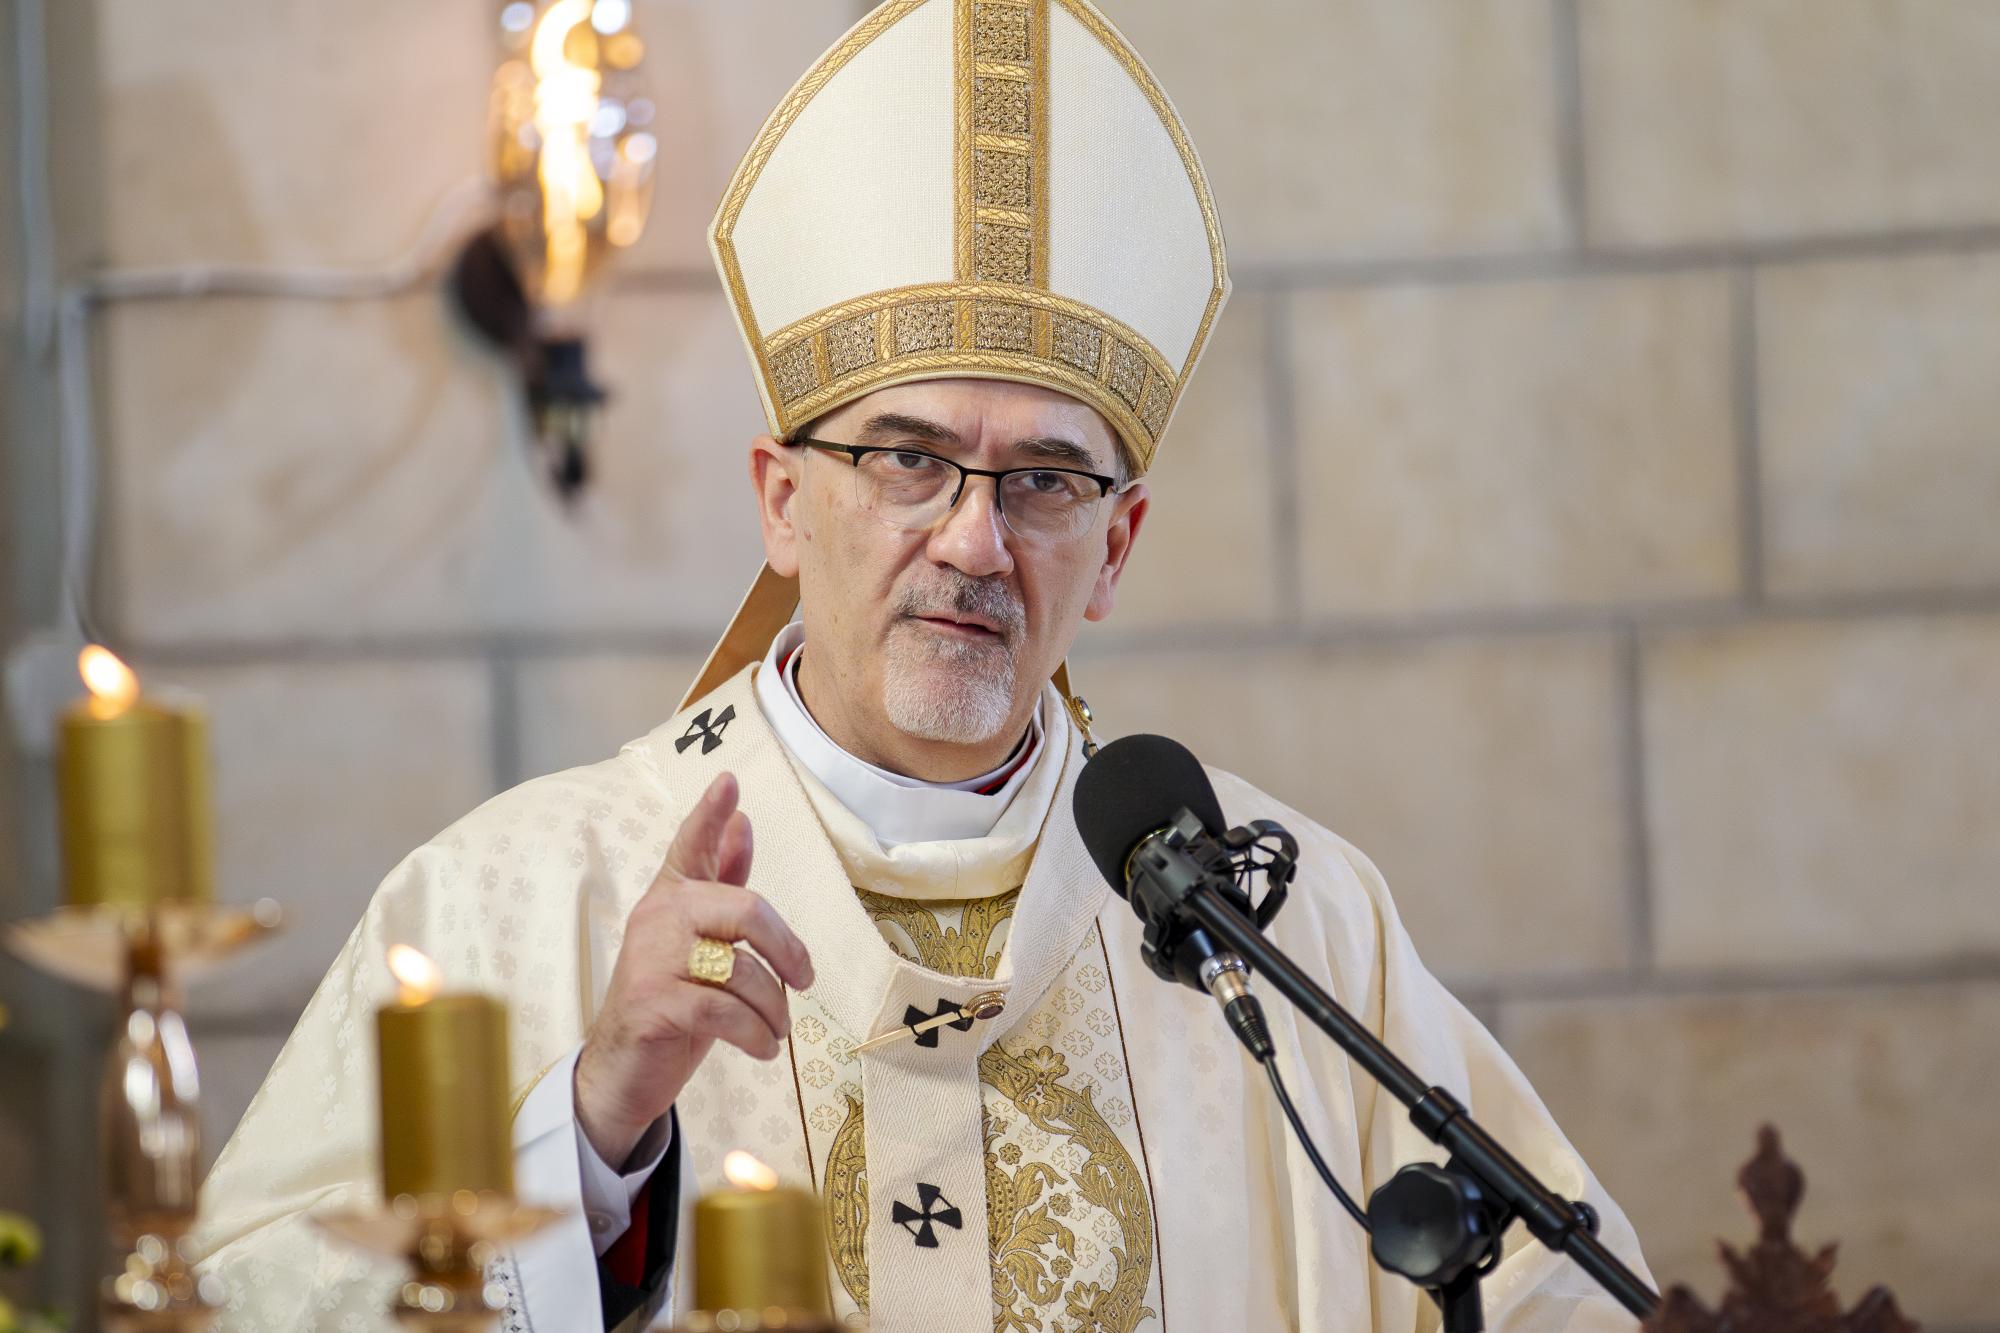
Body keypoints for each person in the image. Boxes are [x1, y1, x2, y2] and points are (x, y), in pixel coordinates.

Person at [194, 2, 1652, 1330]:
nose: (974, 541)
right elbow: (257, 1292)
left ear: (1121, 543)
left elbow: (1556, 1296)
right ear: (779, 498)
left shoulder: (1295, 929)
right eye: (908, 457)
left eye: (1045, 482)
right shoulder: (515, 899)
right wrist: (588, 1131)